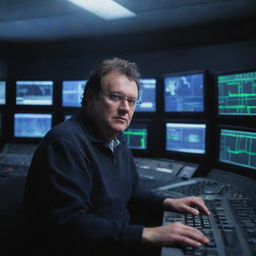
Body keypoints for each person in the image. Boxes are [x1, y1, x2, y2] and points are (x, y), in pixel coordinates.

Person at [23, 57, 210, 256]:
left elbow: (132, 193)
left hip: (114, 245)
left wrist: (168, 202)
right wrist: (147, 234)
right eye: (115, 97)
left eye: (131, 101)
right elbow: (70, 223)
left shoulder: (116, 139)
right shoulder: (65, 143)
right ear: (90, 98)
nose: (125, 108)